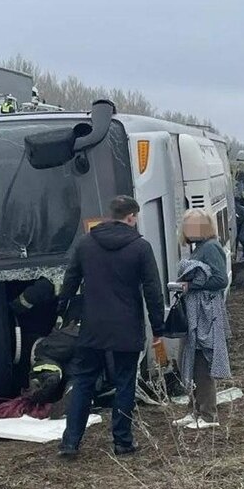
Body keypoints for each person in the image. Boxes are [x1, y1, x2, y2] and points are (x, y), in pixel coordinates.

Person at [57, 196, 165, 458]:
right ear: (130, 217)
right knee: (125, 382)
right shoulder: (140, 247)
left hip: (92, 325)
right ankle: (122, 441)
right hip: (126, 326)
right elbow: (152, 290)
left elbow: (69, 281)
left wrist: (62, 312)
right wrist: (158, 326)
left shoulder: (85, 244)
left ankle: (70, 442)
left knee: (83, 382)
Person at [170, 209, 231, 430]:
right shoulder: (201, 248)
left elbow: (220, 280)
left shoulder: (211, 248)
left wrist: (190, 285)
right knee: (191, 361)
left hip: (205, 314)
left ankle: (207, 414)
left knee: (203, 361)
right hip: (196, 312)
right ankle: (195, 409)